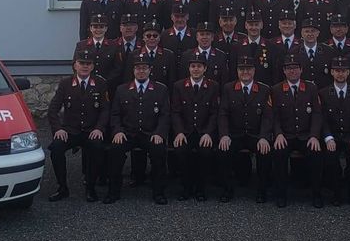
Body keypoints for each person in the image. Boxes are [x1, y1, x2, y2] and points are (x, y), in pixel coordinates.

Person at [45, 50, 111, 202]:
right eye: (82, 63)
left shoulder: (100, 83)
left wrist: (99, 128)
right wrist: (58, 129)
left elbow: (105, 109)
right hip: (71, 131)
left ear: (93, 66)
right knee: (56, 148)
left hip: (90, 130)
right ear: (75, 65)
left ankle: (91, 187)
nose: (85, 66)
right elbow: (52, 110)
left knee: (97, 147)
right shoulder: (65, 83)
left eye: (88, 64)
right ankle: (62, 188)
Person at [109, 53, 171, 204]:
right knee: (116, 150)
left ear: (150, 70)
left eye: (144, 68)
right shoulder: (122, 89)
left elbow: (165, 115)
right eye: (138, 68)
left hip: (150, 134)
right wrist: (117, 131)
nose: (141, 71)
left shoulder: (160, 89)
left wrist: (159, 133)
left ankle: (159, 192)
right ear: (133, 70)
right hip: (128, 133)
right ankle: (113, 192)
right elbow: (115, 114)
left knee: (158, 151)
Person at [217, 56, 274, 202]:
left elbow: (268, 117)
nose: (245, 72)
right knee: (223, 150)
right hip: (235, 134)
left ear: (254, 71)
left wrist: (264, 137)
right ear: (237, 71)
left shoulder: (264, 89)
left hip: (255, 135)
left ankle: (262, 190)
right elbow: (223, 113)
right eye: (242, 69)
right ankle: (227, 189)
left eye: (248, 69)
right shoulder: (229, 88)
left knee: (265, 151)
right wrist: (224, 134)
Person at [269, 53, 323, 207]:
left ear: (301, 70)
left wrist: (314, 136)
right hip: (286, 135)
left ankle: (316, 194)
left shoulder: (311, 88)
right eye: (288, 68)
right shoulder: (276, 89)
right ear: (284, 71)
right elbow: (274, 116)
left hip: (306, 136)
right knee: (279, 154)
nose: (292, 71)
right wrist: (278, 134)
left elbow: (317, 114)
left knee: (316, 154)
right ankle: (281, 194)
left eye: (295, 68)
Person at [172, 52, 220, 202]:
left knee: (205, 153)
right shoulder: (179, 86)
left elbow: (214, 113)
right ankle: (185, 188)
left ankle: (201, 189)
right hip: (186, 131)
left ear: (205, 68)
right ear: (189, 68)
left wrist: (208, 133)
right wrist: (179, 132)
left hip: (203, 131)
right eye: (193, 66)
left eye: (199, 66)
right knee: (181, 152)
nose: (196, 69)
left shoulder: (213, 86)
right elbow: (175, 112)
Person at [319, 57, 350, 206]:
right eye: (337, 71)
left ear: (348, 73)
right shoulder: (323, 93)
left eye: (343, 71)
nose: (340, 74)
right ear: (332, 72)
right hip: (332, 136)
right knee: (330, 158)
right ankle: (336, 193)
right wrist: (328, 138)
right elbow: (323, 119)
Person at [75, 14, 120, 86]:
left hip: (108, 85)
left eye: (101, 27)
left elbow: (117, 68)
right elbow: (75, 65)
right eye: (95, 27)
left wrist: (105, 80)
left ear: (106, 28)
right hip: (87, 85)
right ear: (90, 28)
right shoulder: (81, 45)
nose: (98, 30)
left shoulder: (114, 46)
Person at [234, 9, 274, 85]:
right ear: (246, 25)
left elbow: (274, 72)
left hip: (264, 89)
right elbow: (233, 72)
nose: (253, 27)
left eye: (256, 24)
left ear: (261, 25)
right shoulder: (237, 47)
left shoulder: (270, 46)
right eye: (251, 25)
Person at [291, 19, 336, 87]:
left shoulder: (329, 51)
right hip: (303, 91)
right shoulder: (294, 52)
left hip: (323, 90)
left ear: (318, 33)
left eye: (313, 31)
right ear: (302, 34)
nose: (310, 34)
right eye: (307, 31)